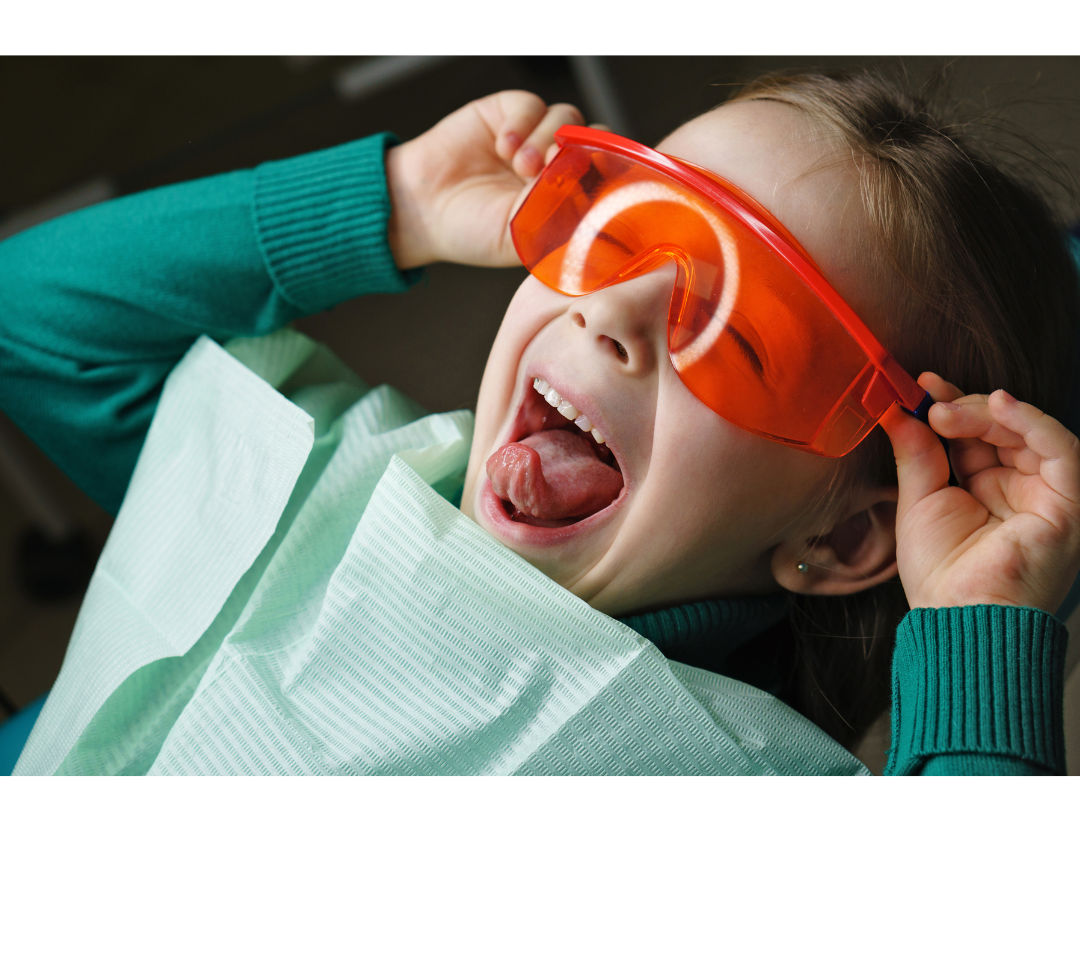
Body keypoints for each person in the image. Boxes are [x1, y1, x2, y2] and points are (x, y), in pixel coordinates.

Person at [2, 71, 1076, 776]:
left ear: (841, 540)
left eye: (750, 344)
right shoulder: (310, 459)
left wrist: (981, 626)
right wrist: (399, 204)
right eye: (621, 229)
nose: (610, 312)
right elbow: (36, 324)